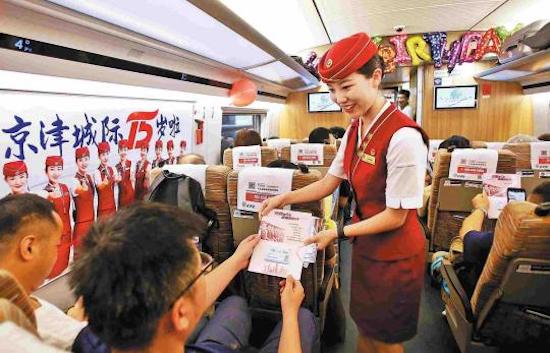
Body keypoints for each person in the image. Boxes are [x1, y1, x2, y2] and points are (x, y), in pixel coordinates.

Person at [260, 32, 428, 353]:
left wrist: (336, 233)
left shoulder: (403, 136)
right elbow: (328, 183)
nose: (338, 98)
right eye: (332, 89)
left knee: (386, 340)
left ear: (376, 77)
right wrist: (285, 197)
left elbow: (396, 216)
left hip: (394, 253)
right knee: (365, 327)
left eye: (347, 86)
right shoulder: (355, 127)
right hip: (367, 245)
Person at [70, 202, 318, 353]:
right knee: (302, 318)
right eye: (201, 269)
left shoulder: (88, 341)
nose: (206, 271)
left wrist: (235, 262)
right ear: (180, 313)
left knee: (234, 304)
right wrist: (289, 311)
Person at [0, 194, 87, 350]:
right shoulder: (41, 325)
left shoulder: (24, 301)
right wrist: (77, 325)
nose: (56, 254)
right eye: (56, 245)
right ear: (29, 247)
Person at [456, 182, 550, 296]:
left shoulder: (511, 240)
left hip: (498, 310)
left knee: (442, 257)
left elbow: (467, 234)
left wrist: (480, 208)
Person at [39, 156, 72, 279]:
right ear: (46, 171)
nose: (56, 173)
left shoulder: (65, 187)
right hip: (56, 236)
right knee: (55, 271)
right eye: (52, 169)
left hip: (68, 232)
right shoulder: (44, 193)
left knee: (65, 267)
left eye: (59, 169)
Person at [71, 147, 95, 254]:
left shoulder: (90, 177)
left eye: (86, 159)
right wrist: (83, 189)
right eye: (80, 160)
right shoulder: (74, 181)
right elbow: (79, 191)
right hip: (81, 224)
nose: (83, 163)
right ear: (76, 162)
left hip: (91, 221)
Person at [94, 142, 119, 219]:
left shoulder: (113, 169)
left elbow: (116, 183)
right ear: (99, 156)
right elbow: (99, 186)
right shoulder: (97, 172)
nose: (105, 157)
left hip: (113, 206)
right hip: (103, 208)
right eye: (103, 155)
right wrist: (104, 183)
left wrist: (117, 179)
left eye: (107, 154)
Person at [115, 139, 135, 208]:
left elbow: (133, 181)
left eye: (125, 150)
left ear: (127, 151)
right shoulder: (116, 167)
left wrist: (133, 178)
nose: (123, 152)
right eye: (121, 150)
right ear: (118, 151)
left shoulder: (131, 163)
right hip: (121, 196)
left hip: (130, 195)